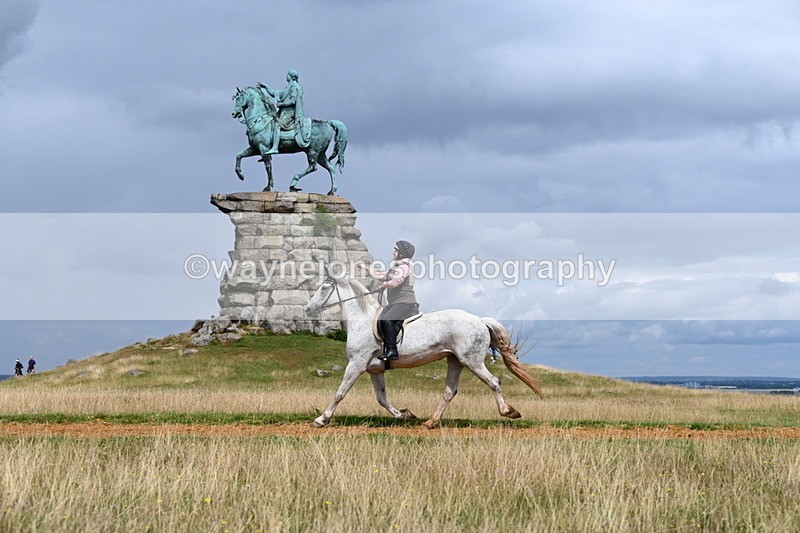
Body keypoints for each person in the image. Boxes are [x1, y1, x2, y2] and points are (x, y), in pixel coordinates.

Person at [358, 240, 419, 361]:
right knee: (379, 319)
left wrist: (384, 286)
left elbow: (396, 281)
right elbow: (381, 275)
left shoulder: (404, 267)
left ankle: (392, 350)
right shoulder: (397, 267)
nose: (393, 252)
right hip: (396, 303)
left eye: (396, 250)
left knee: (387, 320)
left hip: (405, 302)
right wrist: (365, 268)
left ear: (401, 253)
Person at [258, 69, 311, 148]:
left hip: (290, 113)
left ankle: (275, 147)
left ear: (291, 77)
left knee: (276, 125)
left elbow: (293, 101)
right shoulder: (288, 88)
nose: (286, 76)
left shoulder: (295, 87)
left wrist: (282, 104)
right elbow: (275, 93)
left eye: (288, 75)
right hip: (284, 112)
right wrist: (266, 87)